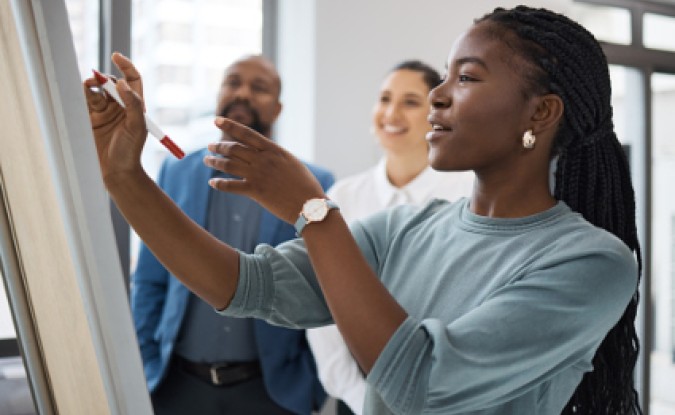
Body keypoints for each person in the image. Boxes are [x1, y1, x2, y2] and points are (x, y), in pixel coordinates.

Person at [84, 5, 642, 414]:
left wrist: (313, 211)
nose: (439, 96)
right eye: (444, 75)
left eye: (466, 77)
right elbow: (245, 285)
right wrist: (122, 173)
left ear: (540, 113)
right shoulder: (405, 229)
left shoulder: (591, 262)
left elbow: (420, 385)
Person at [127, 55, 331, 414]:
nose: (242, 93)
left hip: (272, 394)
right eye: (233, 82)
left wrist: (311, 387)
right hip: (177, 388)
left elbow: (327, 290)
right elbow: (149, 280)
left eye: (259, 87)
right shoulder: (175, 172)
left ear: (278, 108)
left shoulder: (314, 183)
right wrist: (146, 364)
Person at [305, 60, 473, 415]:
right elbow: (321, 303)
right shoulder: (342, 197)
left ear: (437, 113)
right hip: (357, 398)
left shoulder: (469, 196)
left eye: (410, 102)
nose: (391, 112)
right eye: (384, 98)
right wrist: (360, 398)